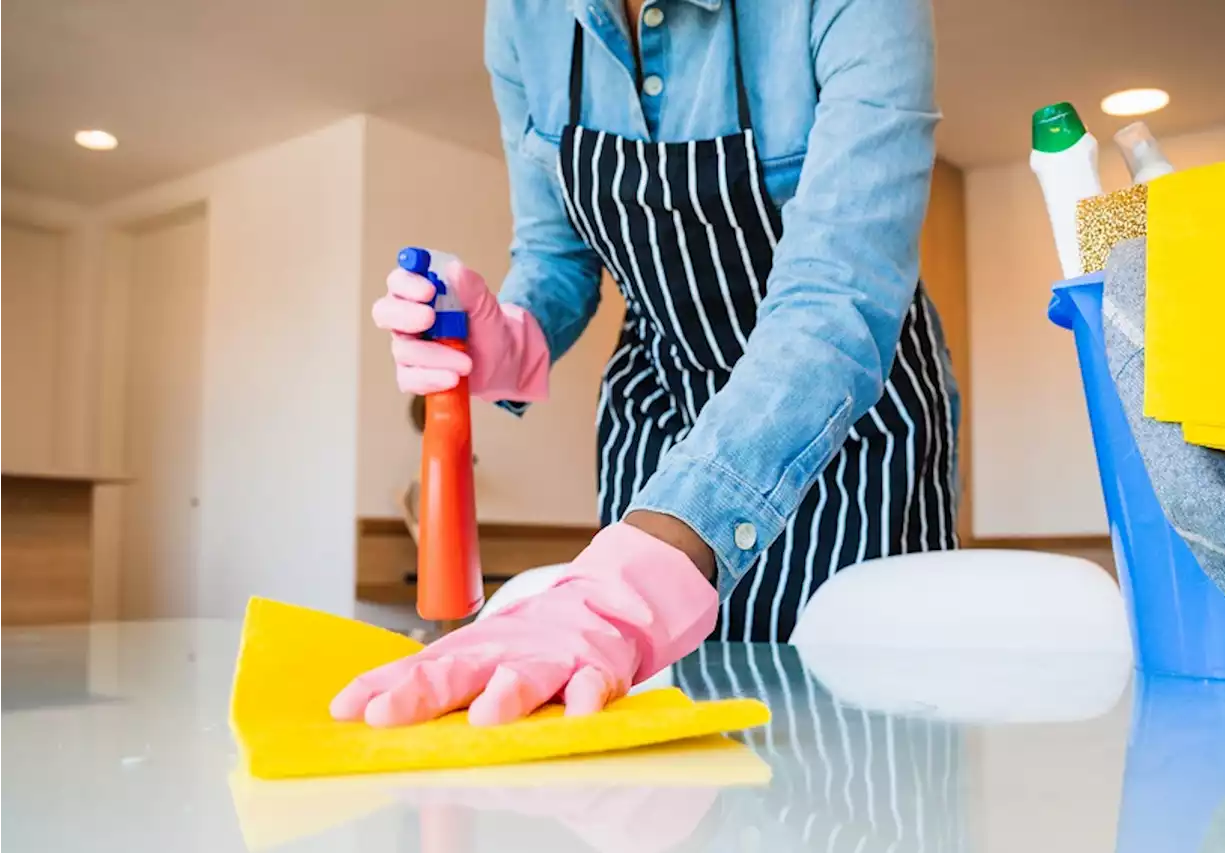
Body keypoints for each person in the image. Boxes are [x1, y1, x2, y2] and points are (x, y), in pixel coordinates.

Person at [331, 0, 959, 728]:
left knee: (847, 758)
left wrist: (624, 587)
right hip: (660, 412)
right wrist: (502, 340)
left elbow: (836, 293)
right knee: (660, 758)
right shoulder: (522, 18)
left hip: (850, 437)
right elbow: (556, 254)